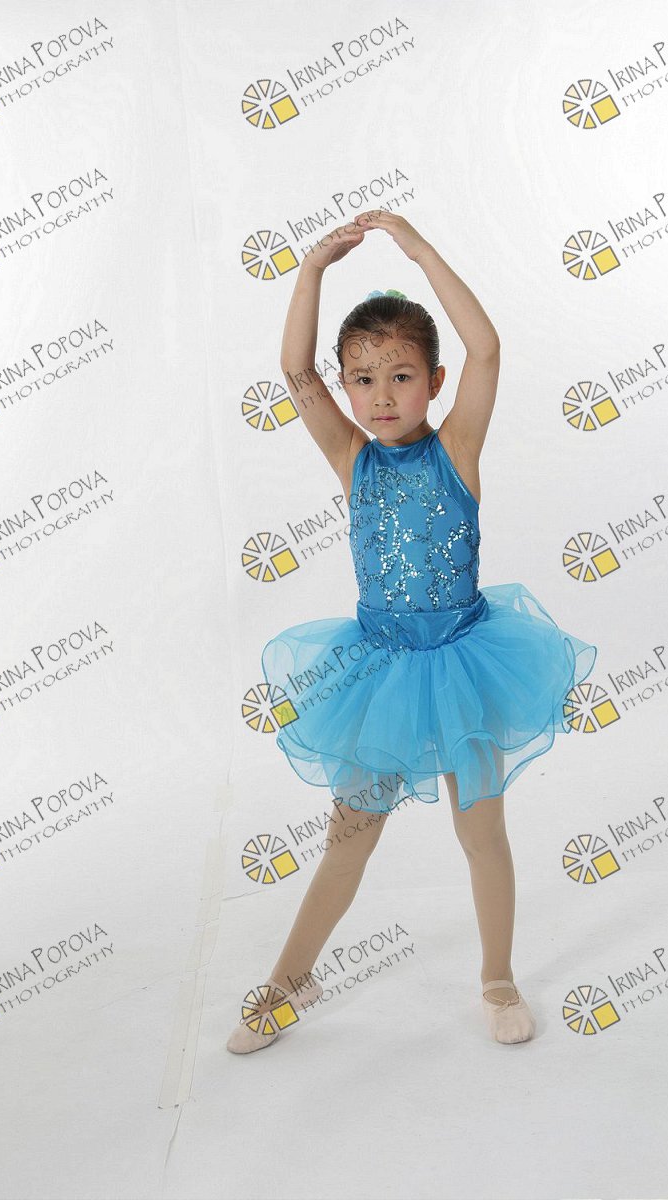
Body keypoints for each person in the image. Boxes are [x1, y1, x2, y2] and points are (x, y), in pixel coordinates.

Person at [227, 211, 598, 1054]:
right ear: (346, 387)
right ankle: (288, 979)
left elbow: (488, 349)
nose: (382, 396)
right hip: (381, 673)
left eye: (400, 376)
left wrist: (422, 250)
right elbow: (294, 371)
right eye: (363, 380)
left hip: (464, 667)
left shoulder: (456, 449)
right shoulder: (351, 458)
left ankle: (497, 978)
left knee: (481, 833)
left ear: (434, 380)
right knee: (348, 841)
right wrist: (311, 269)